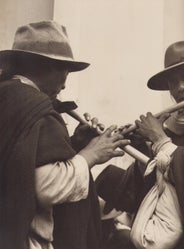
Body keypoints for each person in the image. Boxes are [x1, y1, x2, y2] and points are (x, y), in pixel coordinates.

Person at [96, 40, 184, 249]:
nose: (180, 87)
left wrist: (160, 140)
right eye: (173, 82)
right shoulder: (174, 126)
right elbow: (153, 192)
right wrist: (142, 148)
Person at [0, 20, 130, 249]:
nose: (64, 86)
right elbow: (46, 188)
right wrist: (92, 154)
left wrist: (75, 145)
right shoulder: (36, 106)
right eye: (66, 71)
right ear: (48, 66)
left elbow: (20, 166)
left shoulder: (7, 97)